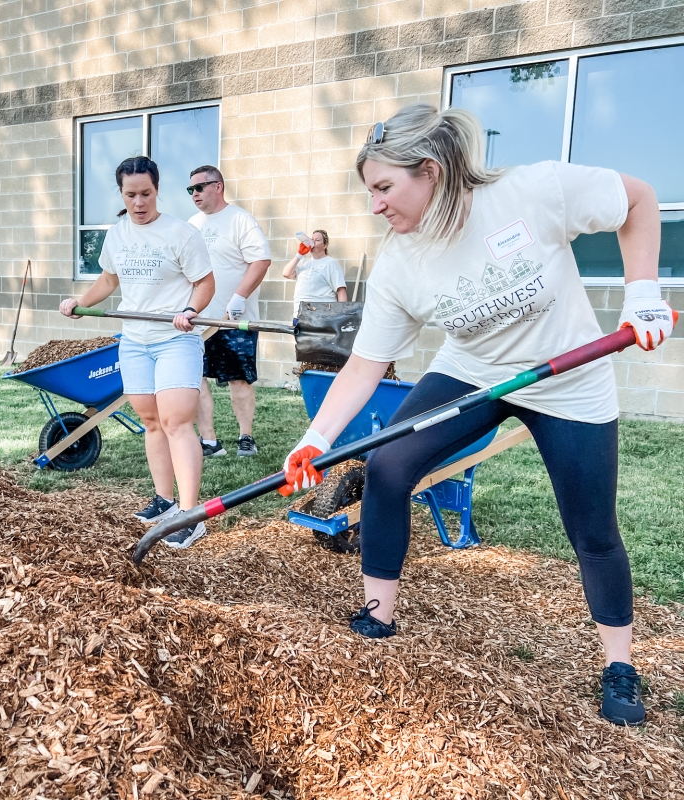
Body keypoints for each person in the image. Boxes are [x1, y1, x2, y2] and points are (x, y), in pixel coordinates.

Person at [280, 103, 677, 727]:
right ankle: (376, 616)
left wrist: (644, 292)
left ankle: (619, 667)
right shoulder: (399, 263)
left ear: (431, 171)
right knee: (387, 467)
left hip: (569, 377)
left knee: (592, 530)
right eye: (370, 191)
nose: (375, 206)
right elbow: (363, 365)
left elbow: (639, 199)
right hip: (472, 372)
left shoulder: (533, 190)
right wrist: (315, 435)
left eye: (384, 188)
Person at [60, 157, 215, 550]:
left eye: (145, 193)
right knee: (151, 421)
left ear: (157, 190)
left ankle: (190, 514)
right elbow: (109, 279)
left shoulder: (180, 234)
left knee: (177, 421)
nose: (139, 202)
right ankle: (164, 500)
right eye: (131, 195)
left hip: (175, 339)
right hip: (135, 341)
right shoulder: (117, 235)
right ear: (121, 194)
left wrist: (191, 311)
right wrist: (80, 301)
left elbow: (205, 283)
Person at [187, 165, 271, 458]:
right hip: (200, 319)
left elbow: (261, 260)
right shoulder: (192, 224)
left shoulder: (240, 220)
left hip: (236, 320)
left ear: (218, 186)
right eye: (190, 190)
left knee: (239, 379)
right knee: (197, 379)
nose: (194, 194)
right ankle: (209, 441)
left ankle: (245, 436)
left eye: (199, 188)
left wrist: (239, 297)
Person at [282, 230, 348, 323]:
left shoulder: (330, 263)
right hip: (300, 316)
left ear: (325, 245)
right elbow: (286, 273)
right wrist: (299, 254)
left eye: (317, 240)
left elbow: (341, 291)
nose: (313, 242)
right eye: (311, 239)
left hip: (322, 316)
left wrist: (341, 316)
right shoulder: (303, 262)